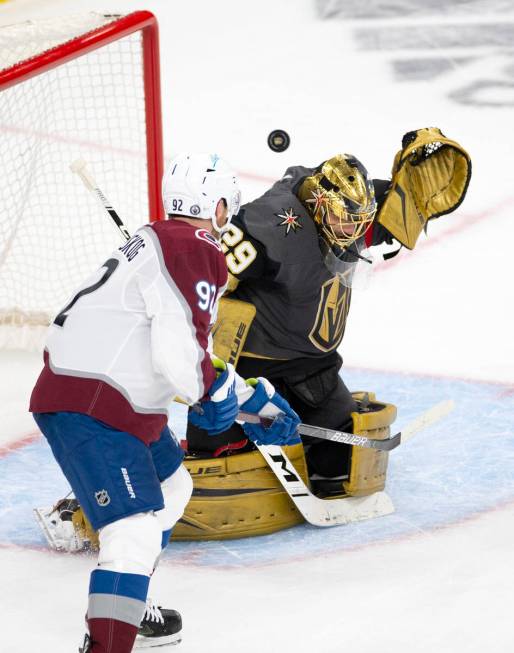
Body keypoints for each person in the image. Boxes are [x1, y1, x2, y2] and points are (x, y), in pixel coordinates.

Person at [29, 153, 300, 653]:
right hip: (94, 405)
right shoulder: (193, 248)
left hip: (110, 399)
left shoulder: (159, 243)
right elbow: (181, 356)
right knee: (130, 534)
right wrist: (209, 393)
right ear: (218, 208)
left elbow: (186, 354)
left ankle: (131, 611)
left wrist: (254, 402)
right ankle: (109, 641)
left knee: (173, 485)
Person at [186, 128, 471, 494]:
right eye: (346, 223)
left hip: (313, 365)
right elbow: (205, 273)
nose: (356, 233)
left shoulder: (350, 215)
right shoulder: (269, 227)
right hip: (250, 365)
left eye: (361, 224)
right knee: (216, 452)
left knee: (339, 459)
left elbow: (385, 214)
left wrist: (412, 187)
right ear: (319, 204)